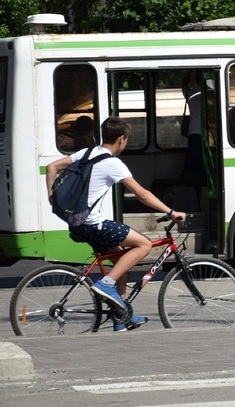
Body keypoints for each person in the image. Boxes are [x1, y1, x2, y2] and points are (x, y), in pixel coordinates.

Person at [45, 117, 187, 332]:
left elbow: (51, 167)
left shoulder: (86, 153)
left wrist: (52, 198)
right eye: (126, 139)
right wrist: (170, 211)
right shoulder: (112, 163)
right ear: (121, 139)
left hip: (78, 223)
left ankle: (121, 317)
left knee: (122, 262)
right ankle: (105, 284)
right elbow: (142, 194)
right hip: (95, 225)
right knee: (144, 245)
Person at [179, 72, 206, 194]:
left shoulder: (190, 93)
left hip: (194, 133)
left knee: (195, 165)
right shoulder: (211, 94)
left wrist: (189, 71)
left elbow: (183, 84)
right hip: (209, 135)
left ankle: (196, 192)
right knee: (205, 165)